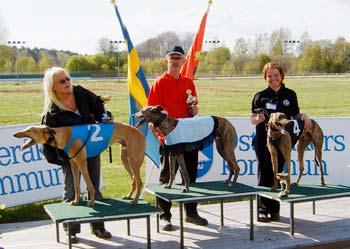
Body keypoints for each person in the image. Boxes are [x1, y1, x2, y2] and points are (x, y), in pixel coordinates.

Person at [41, 67, 112, 243]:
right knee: (71, 191)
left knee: (94, 187)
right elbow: (48, 140)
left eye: (67, 79)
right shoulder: (51, 112)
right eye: (62, 81)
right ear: (53, 87)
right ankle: (71, 230)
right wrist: (65, 158)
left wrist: (107, 116)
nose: (67, 83)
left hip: (91, 148)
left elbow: (99, 107)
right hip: (69, 155)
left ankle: (98, 227)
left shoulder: (80, 92)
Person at [147, 46, 208, 231]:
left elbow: (194, 108)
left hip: (188, 134)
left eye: (178, 58)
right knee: (167, 176)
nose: (175, 61)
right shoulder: (158, 83)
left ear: (183, 61)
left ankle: (191, 213)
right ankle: (165, 215)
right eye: (172, 57)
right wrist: (155, 126)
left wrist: (194, 110)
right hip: (169, 135)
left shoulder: (189, 82)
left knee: (190, 174)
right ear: (166, 60)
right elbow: (151, 109)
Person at [250, 62, 311, 222]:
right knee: (264, 172)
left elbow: (296, 115)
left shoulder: (290, 94)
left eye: (276, 75)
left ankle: (275, 209)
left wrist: (304, 115)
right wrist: (258, 119)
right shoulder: (260, 96)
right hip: (264, 139)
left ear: (281, 75)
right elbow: (252, 119)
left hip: (283, 140)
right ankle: (263, 210)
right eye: (269, 76)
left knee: (279, 173)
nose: (273, 78)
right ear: (265, 77)